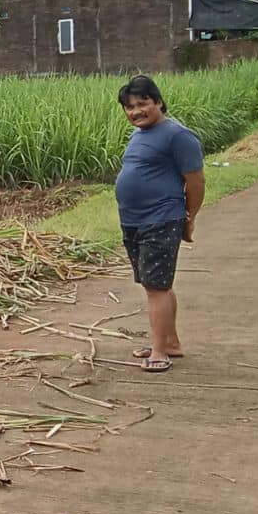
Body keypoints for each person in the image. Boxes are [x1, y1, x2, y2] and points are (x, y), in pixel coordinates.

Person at [114, 75, 204, 373]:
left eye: (143, 104)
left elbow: (196, 182)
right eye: (129, 107)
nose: (136, 111)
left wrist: (188, 219)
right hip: (134, 220)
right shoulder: (138, 135)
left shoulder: (178, 136)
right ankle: (170, 343)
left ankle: (159, 352)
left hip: (161, 218)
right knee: (156, 284)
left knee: (157, 286)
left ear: (159, 102)